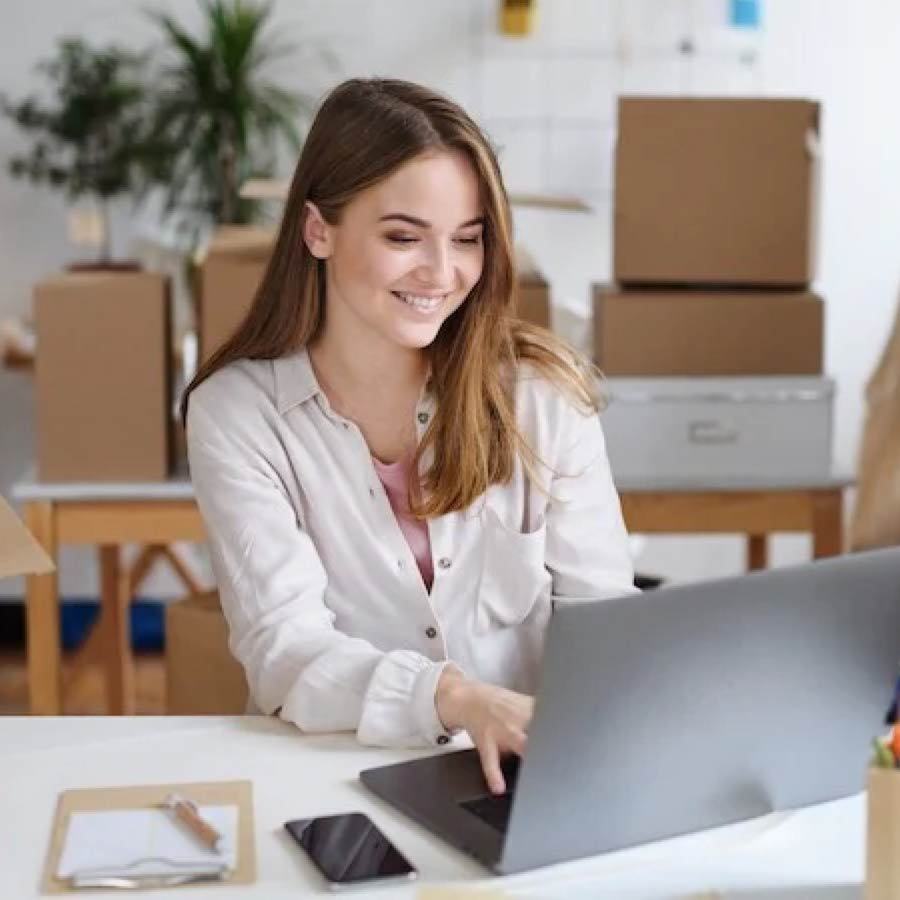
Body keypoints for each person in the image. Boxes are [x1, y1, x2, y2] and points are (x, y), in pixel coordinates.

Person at [182, 78, 635, 795]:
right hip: (326, 778)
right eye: (403, 237)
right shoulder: (239, 415)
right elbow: (287, 652)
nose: (442, 273)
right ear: (317, 230)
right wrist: (456, 699)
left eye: (466, 239)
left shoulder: (543, 398)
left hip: (522, 786)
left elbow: (607, 625)